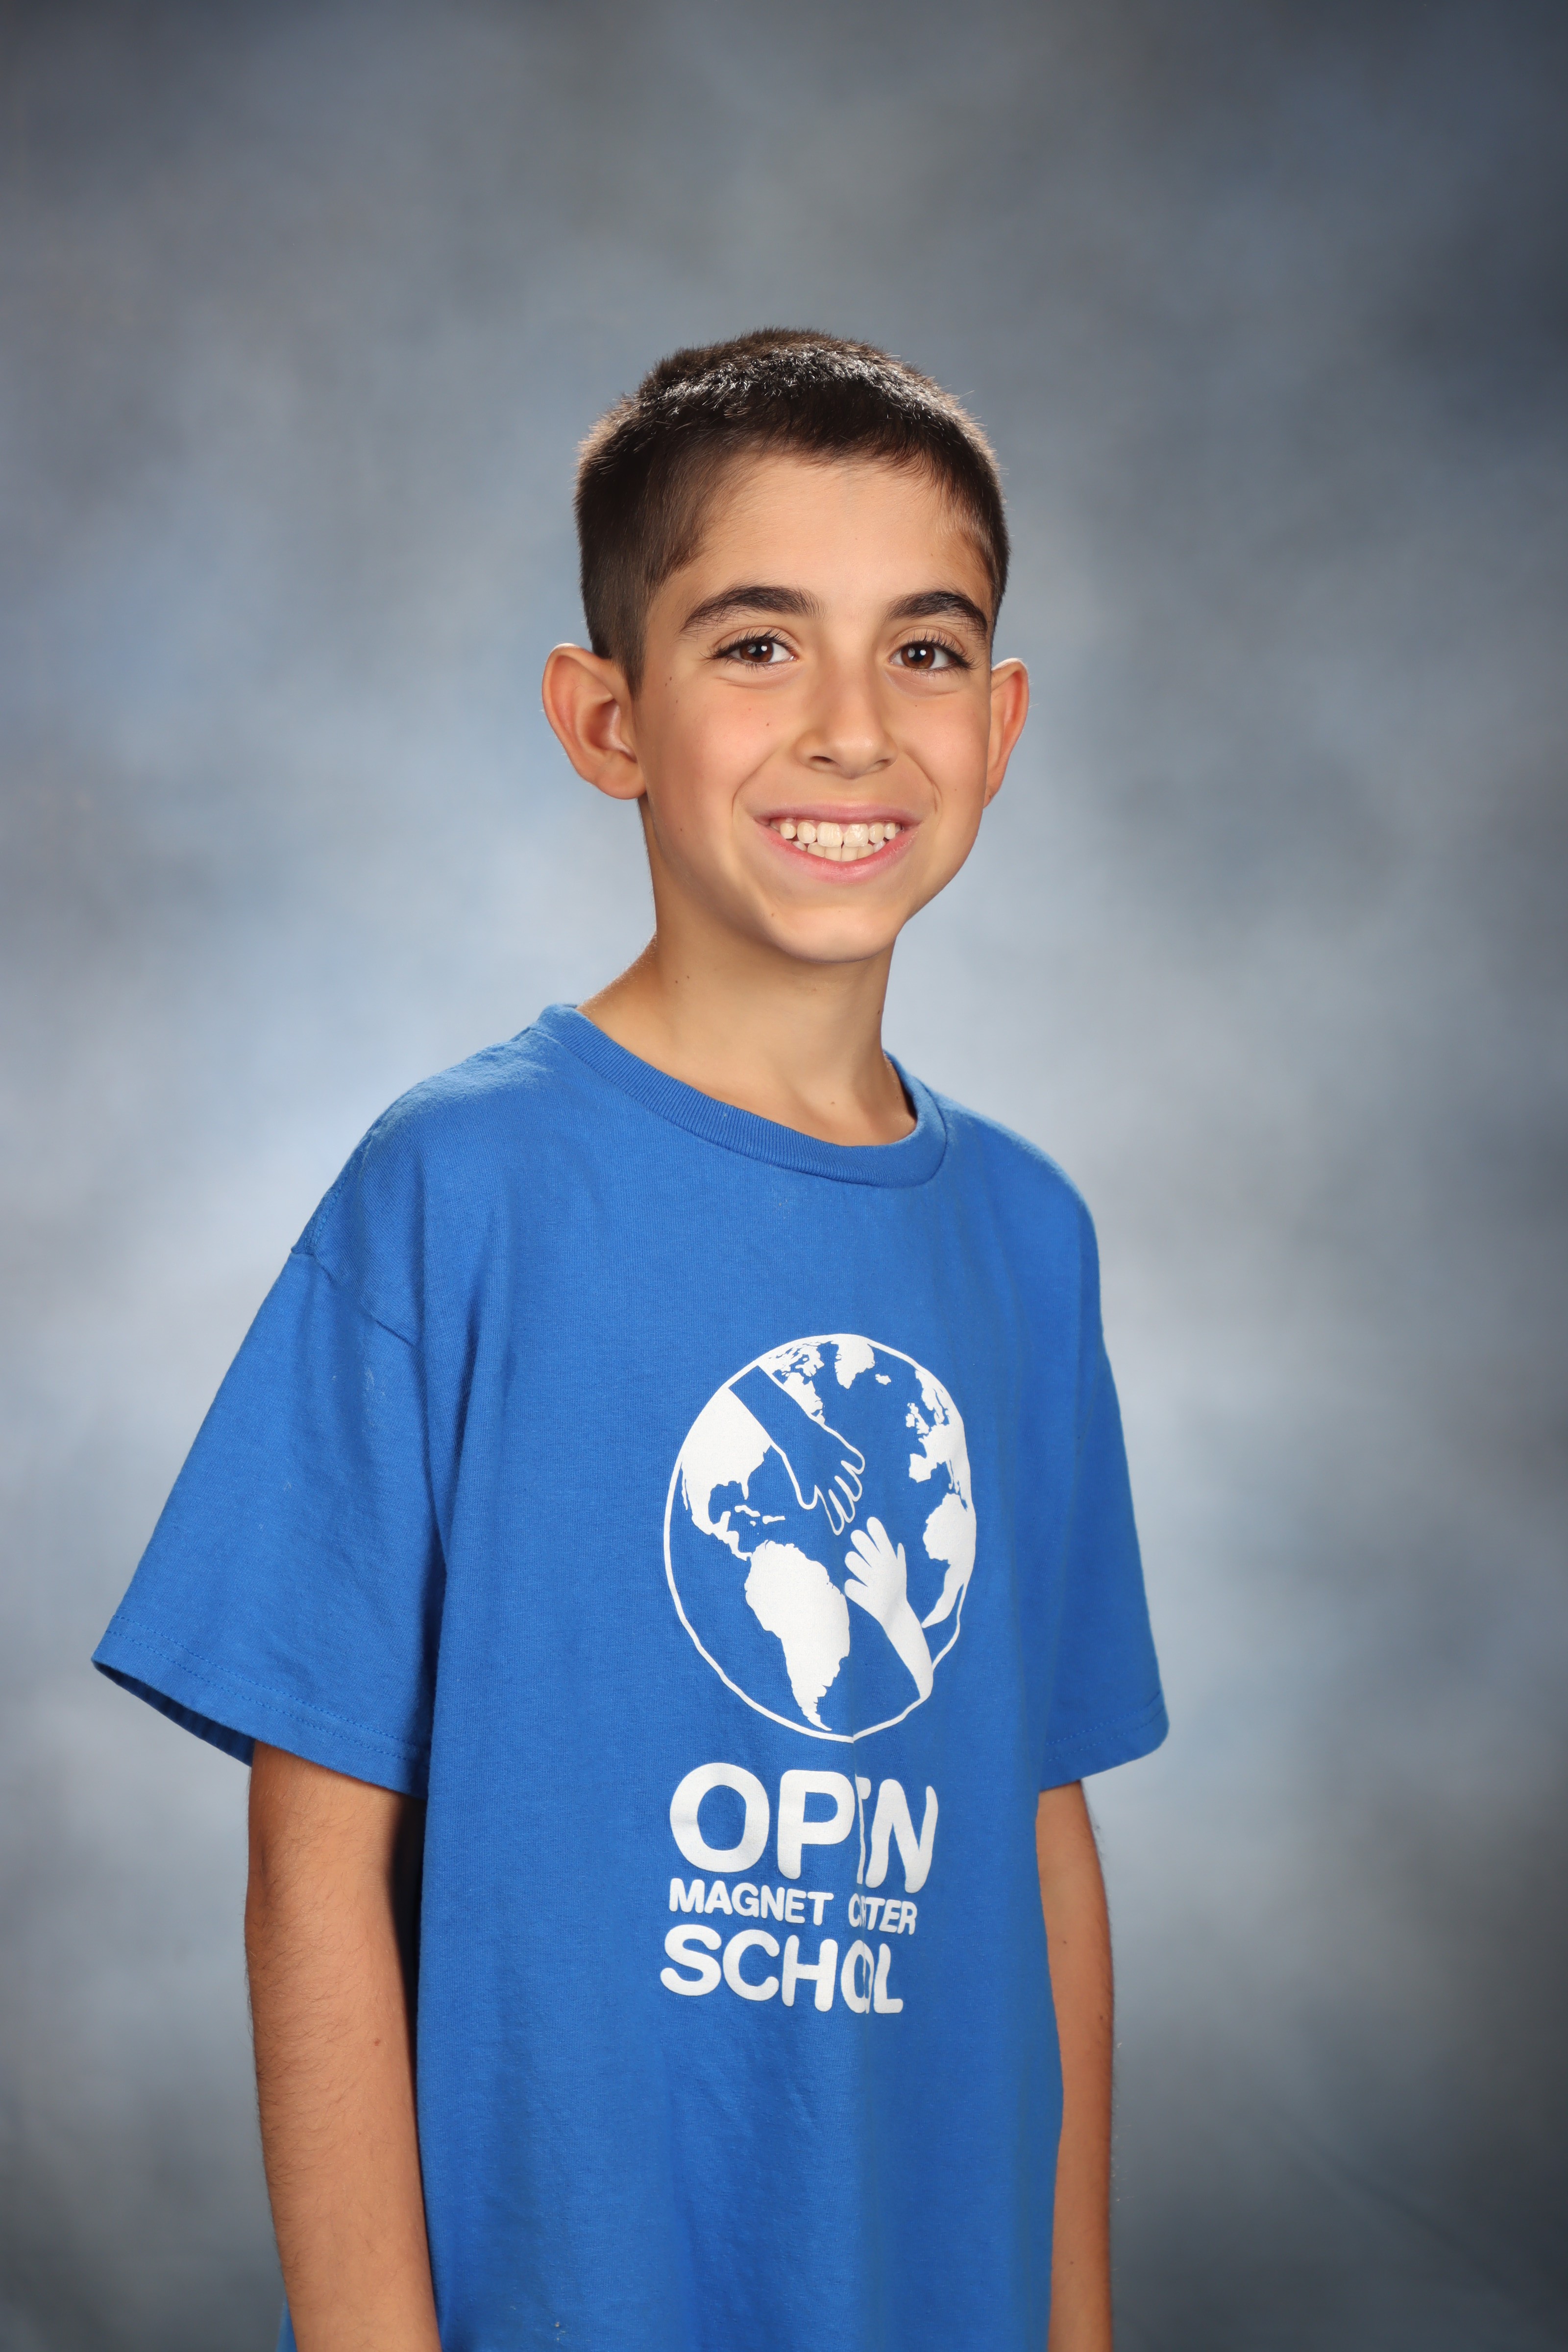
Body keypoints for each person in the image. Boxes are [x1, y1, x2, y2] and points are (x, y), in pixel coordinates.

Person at [94, 329, 1168, 2352]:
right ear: (608, 719)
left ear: (1001, 720)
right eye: (758, 645)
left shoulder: (1028, 1239)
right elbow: (314, 1871)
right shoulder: (460, 1190)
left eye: (923, 651)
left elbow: (1039, 1838)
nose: (852, 727)